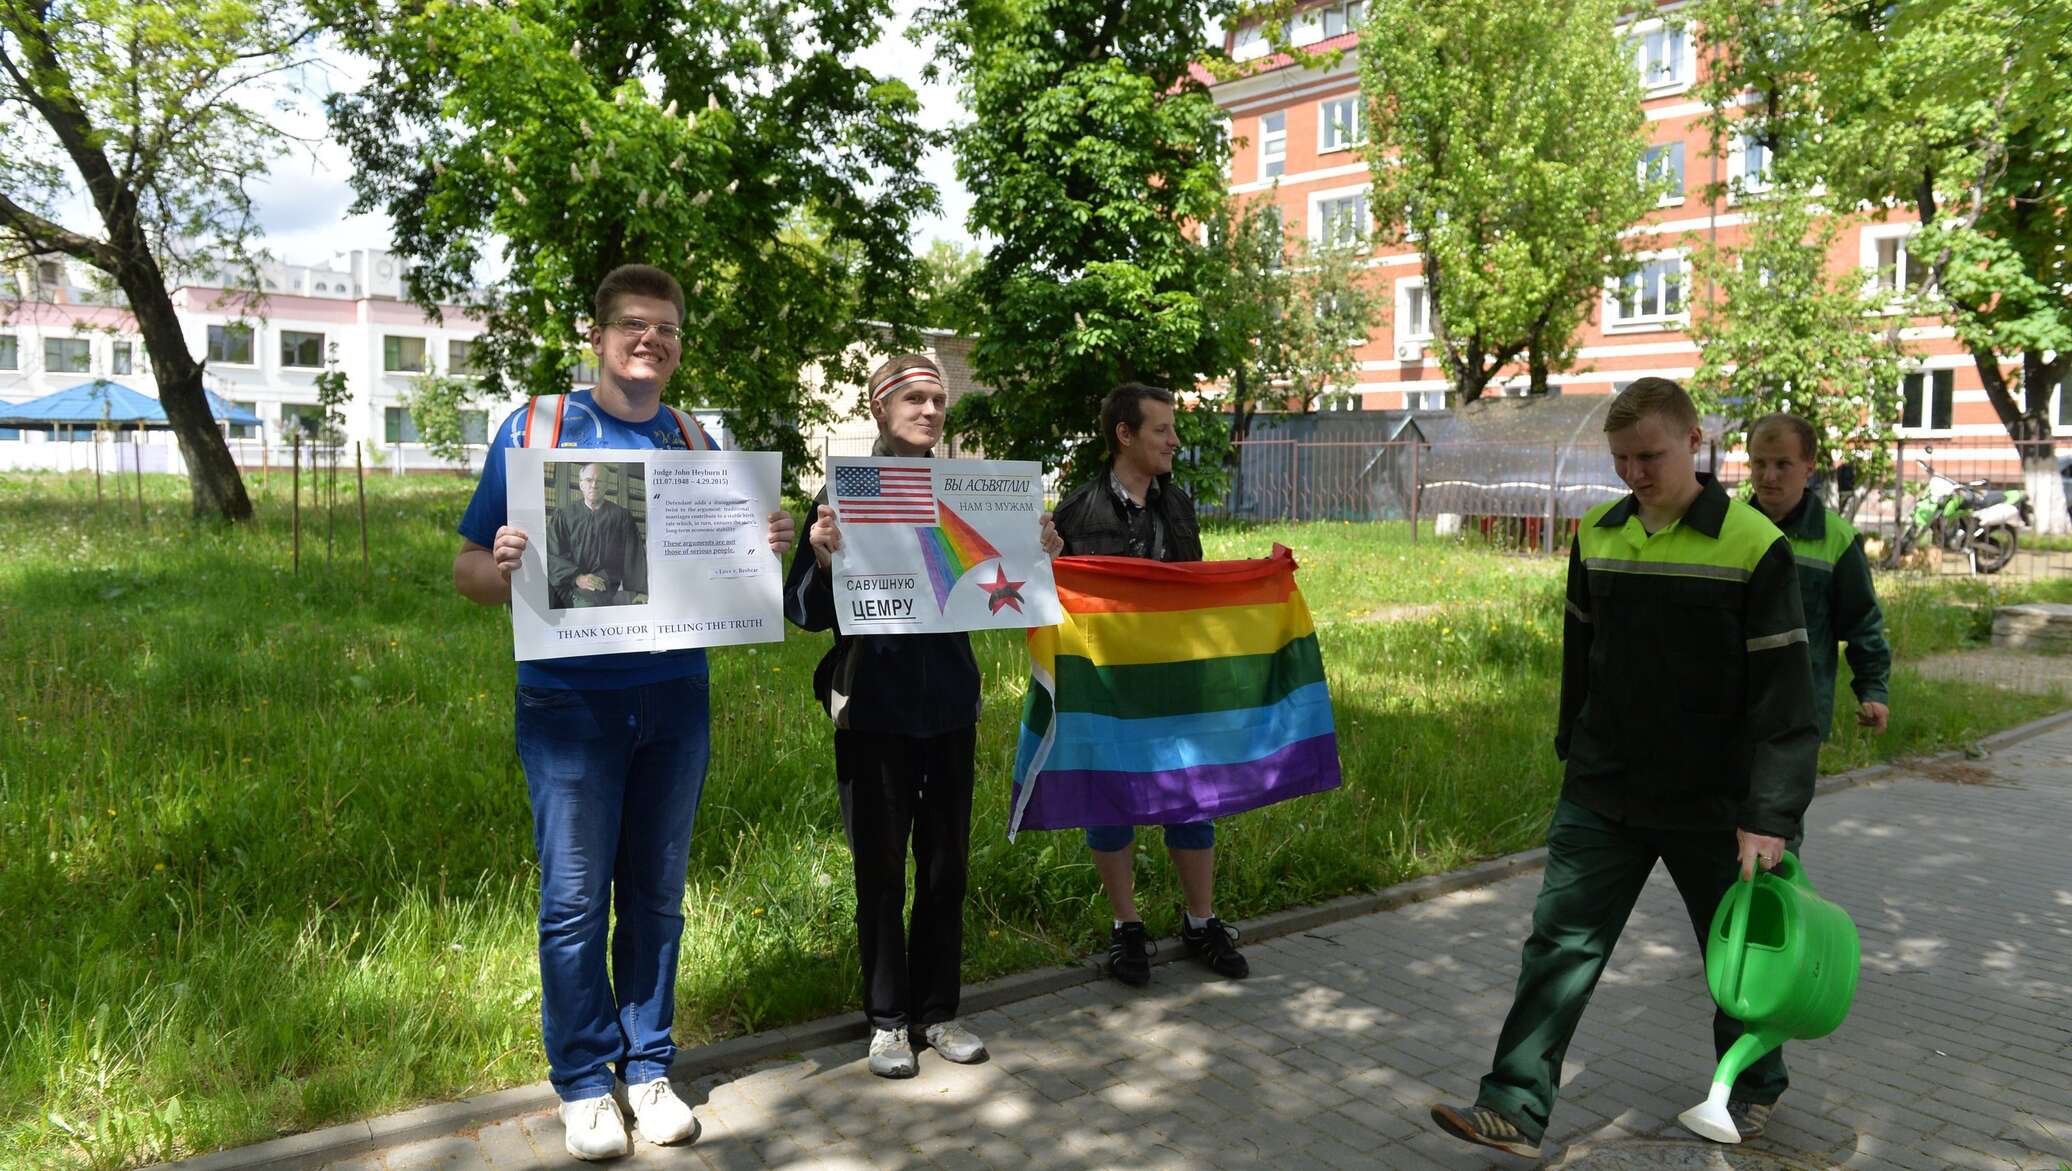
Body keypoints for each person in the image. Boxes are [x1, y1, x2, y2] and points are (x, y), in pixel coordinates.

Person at [453, 264, 795, 1161]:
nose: (651, 341)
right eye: (634, 326)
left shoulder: (695, 438)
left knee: (656, 895)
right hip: (570, 705)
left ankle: (648, 1066)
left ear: (680, 346)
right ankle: (581, 1082)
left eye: (668, 329)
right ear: (598, 337)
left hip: (676, 697)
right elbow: (470, 578)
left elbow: (727, 559)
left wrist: (764, 547)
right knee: (572, 901)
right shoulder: (538, 430)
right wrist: (506, 560)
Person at [1429, 378, 1820, 1159]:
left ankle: (1753, 1085)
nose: (1635, 473)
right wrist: (1575, 752)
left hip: (1718, 805)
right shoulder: (1600, 533)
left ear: (1694, 440)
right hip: (1604, 792)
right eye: (1620, 458)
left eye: (1650, 455)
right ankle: (1512, 1102)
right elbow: (1583, 661)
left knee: (1739, 958)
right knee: (1557, 943)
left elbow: (1785, 698)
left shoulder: (1754, 545)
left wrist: (1769, 814)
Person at [783, 353, 1064, 1078]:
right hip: (871, 707)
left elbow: (1004, 586)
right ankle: (885, 1021)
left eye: (939, 399)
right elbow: (806, 614)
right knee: (879, 871)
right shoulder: (842, 491)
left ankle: (938, 1012)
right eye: (914, 398)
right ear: (880, 409)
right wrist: (818, 556)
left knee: (945, 870)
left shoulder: (972, 491)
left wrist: (1043, 554)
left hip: (948, 707)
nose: (931, 410)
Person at [1050, 382, 1249, 987]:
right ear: (1125, 435)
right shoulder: (1078, 512)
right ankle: (1127, 927)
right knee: (1111, 804)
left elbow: (1192, 588)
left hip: (1175, 682)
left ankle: (1200, 921)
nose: (1173, 440)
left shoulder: (1179, 506)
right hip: (1106, 689)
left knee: (1192, 799)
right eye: (1162, 429)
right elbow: (1049, 597)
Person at [1746, 413, 1891, 742]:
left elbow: (1862, 621)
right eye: (1759, 463)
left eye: (1783, 464)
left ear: (1808, 468)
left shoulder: (1837, 540)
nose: (1769, 476)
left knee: (1781, 795)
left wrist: (1873, 691)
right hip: (1728, 708)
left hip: (1798, 711)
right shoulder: (1726, 531)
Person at [548, 463, 647, 607]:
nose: (593, 485)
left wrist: (639, 591)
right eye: (588, 480)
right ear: (581, 485)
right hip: (569, 580)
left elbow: (633, 555)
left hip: (604, 581)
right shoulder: (564, 515)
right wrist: (577, 578)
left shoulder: (621, 516)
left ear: (607, 486)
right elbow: (553, 553)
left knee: (588, 604)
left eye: (599, 481)